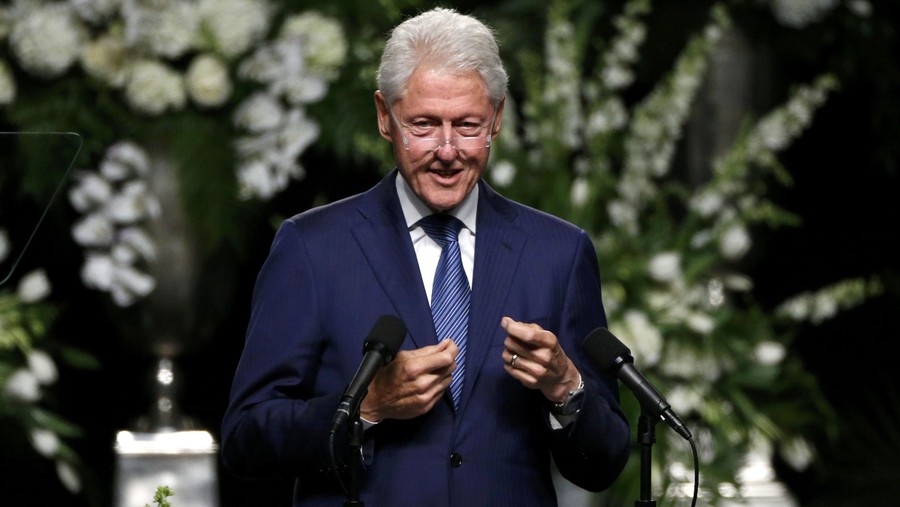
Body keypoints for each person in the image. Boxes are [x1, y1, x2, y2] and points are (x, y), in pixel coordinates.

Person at [221, 7, 631, 506]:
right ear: (384, 117)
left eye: (467, 125)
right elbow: (245, 441)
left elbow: (605, 463)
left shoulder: (558, 253)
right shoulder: (312, 248)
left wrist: (567, 387)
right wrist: (367, 407)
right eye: (423, 124)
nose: (446, 148)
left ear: (497, 119)